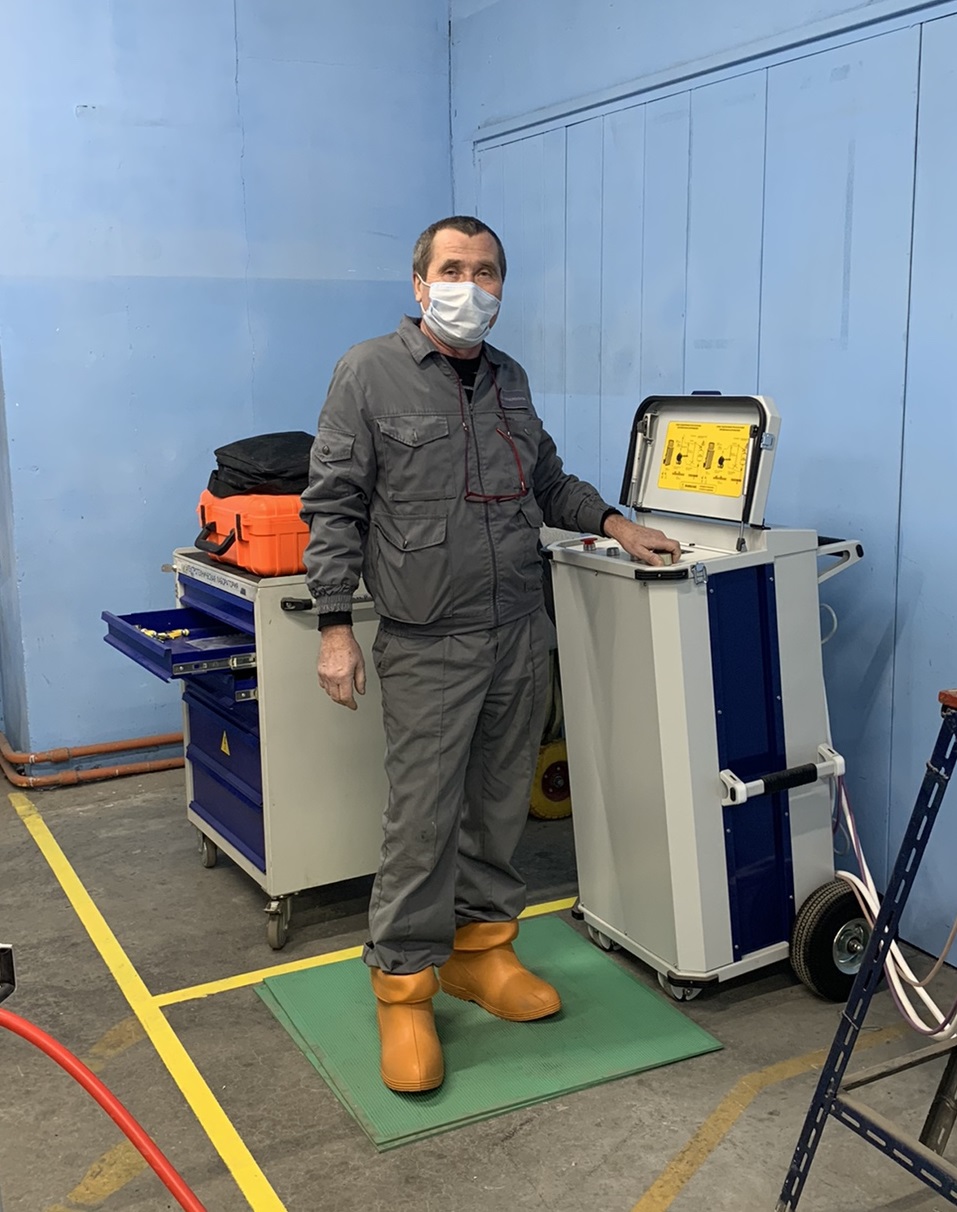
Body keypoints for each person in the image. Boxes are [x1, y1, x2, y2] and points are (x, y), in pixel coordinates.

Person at [300, 216, 680, 1093]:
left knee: (499, 806)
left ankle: (480, 952)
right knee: (422, 819)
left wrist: (614, 523)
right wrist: (333, 626)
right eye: (452, 269)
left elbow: (545, 480)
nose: (468, 286)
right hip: (428, 637)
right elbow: (335, 504)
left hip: (517, 630)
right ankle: (403, 986)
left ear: (502, 288)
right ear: (419, 284)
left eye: (485, 271)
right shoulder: (368, 372)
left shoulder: (509, 378)